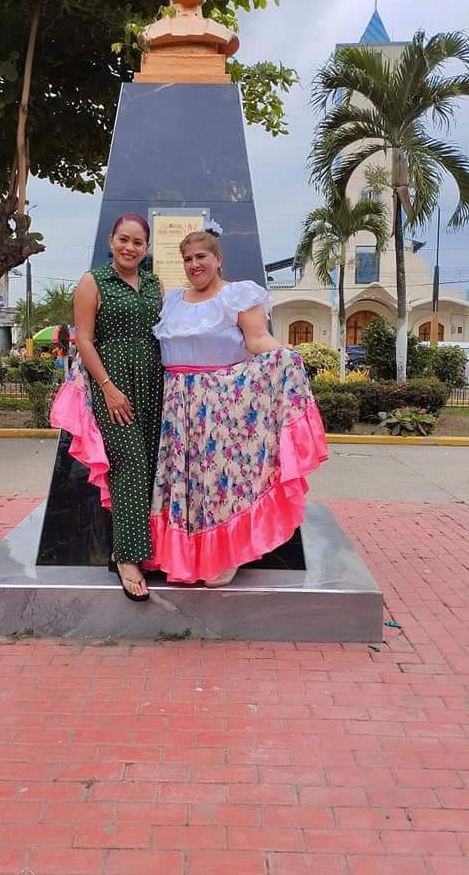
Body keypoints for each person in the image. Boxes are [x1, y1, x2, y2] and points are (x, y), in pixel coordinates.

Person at [145, 229, 328, 587]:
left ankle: (224, 554)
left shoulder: (237, 295)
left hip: (220, 403)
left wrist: (284, 356)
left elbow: (257, 339)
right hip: (175, 405)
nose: (194, 265)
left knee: (218, 481)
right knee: (183, 482)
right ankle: (183, 555)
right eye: (187, 259)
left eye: (201, 257)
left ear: (218, 259)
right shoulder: (172, 301)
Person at [50, 214, 163, 601]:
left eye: (138, 242)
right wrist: (108, 388)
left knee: (150, 464)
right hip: (112, 384)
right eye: (123, 239)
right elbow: (83, 340)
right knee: (129, 462)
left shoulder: (154, 284)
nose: (130, 247)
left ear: (146, 247)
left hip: (153, 383)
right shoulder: (93, 281)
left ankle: (148, 548)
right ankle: (126, 557)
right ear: (111, 241)